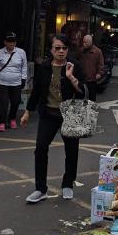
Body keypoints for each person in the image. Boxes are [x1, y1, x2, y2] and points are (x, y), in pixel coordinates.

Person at [21, 34, 84, 203]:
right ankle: (40, 189)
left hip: (70, 114)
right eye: (57, 48)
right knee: (41, 148)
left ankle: (68, 184)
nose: (61, 51)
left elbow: (84, 92)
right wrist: (28, 111)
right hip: (48, 113)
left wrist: (71, 77)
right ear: (51, 50)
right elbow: (36, 91)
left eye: (64, 48)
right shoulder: (44, 67)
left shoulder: (74, 65)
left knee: (71, 151)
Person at [0, 32, 27, 132]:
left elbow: (24, 67)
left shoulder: (21, 52)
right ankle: (2, 122)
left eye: (13, 41)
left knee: (16, 101)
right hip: (2, 82)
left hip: (16, 82)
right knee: (3, 103)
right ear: (5, 42)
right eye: (9, 41)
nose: (11, 43)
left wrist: (23, 79)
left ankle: (12, 118)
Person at [79, 34, 105, 102]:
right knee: (82, 96)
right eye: (83, 42)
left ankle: (92, 110)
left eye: (85, 42)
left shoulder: (97, 51)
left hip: (92, 78)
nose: (83, 44)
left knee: (92, 97)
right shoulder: (81, 51)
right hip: (82, 78)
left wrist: (99, 73)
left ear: (90, 42)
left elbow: (101, 64)